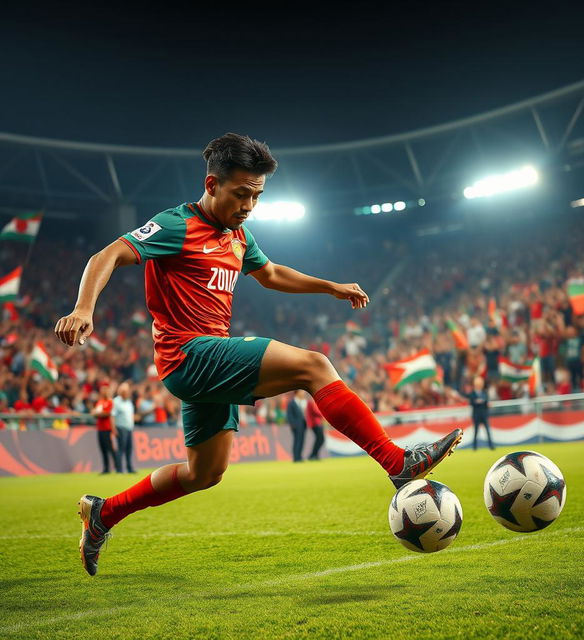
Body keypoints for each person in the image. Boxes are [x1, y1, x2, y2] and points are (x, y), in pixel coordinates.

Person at [55, 133, 462, 576]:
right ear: (212, 185)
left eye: (257, 195)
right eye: (241, 193)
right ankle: (396, 462)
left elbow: (269, 274)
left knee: (204, 473)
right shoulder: (176, 225)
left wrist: (330, 286)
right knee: (314, 365)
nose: (249, 205)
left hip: (208, 362)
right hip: (188, 355)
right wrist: (83, 307)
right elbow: (108, 253)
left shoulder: (238, 235)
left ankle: (103, 514)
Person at [92, 382, 120, 474]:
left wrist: (98, 413)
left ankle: (117, 467)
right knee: (103, 449)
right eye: (102, 389)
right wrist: (98, 413)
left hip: (108, 429)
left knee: (111, 449)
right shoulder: (100, 402)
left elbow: (107, 413)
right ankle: (106, 468)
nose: (103, 391)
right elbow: (94, 413)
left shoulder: (110, 402)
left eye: (104, 389)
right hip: (100, 429)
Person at [113, 382, 136, 474]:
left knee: (129, 448)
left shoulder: (129, 402)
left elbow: (130, 414)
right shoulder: (116, 401)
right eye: (125, 391)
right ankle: (119, 469)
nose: (127, 393)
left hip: (129, 428)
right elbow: (112, 416)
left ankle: (129, 468)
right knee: (121, 448)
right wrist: (113, 429)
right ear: (121, 392)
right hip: (121, 427)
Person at [468, 375, 495, 450]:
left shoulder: (484, 392)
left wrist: (487, 404)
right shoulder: (472, 393)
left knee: (488, 431)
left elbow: (486, 402)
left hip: (484, 415)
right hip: (476, 415)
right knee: (476, 432)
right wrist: (477, 402)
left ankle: (491, 446)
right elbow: (471, 403)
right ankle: (474, 447)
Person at [286, 389, 307, 462]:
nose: (303, 393)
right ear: (297, 392)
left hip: (303, 425)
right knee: (297, 441)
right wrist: (292, 424)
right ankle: (296, 457)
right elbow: (289, 415)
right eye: (301, 391)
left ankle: (300, 457)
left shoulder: (303, 402)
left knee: (301, 441)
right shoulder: (292, 403)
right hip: (296, 426)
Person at [305, 396, 325, 460]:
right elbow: (315, 411)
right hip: (315, 423)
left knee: (320, 439)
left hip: (317, 423)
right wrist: (323, 413)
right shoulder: (311, 401)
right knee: (320, 439)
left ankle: (314, 455)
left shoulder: (312, 401)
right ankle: (313, 455)